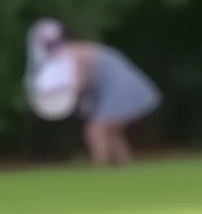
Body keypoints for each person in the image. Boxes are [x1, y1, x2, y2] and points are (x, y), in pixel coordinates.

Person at [27, 18, 161, 168]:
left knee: (95, 131)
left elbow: (80, 82)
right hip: (125, 85)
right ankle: (126, 168)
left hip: (118, 88)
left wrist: (63, 97)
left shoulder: (72, 52)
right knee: (112, 132)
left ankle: (100, 167)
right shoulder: (80, 48)